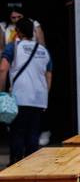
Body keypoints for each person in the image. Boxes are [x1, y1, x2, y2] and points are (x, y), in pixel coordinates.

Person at [0, 18, 52, 165]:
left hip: (20, 98)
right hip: (39, 99)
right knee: (32, 134)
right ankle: (31, 167)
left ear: (18, 31)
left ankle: (16, 165)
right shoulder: (44, 51)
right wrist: (45, 97)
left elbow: (3, 68)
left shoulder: (13, 47)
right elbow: (48, 75)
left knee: (17, 133)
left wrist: (0, 91)